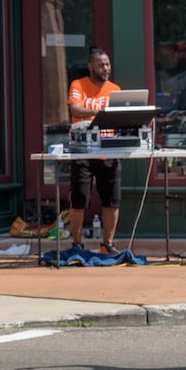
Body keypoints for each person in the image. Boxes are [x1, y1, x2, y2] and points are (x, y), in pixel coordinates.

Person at [66, 47, 122, 252]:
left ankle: (108, 244)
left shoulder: (115, 89)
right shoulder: (78, 84)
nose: (105, 68)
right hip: (83, 150)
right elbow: (76, 109)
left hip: (109, 148)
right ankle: (77, 244)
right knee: (79, 199)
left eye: (107, 64)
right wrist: (100, 112)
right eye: (101, 64)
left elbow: (121, 115)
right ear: (91, 66)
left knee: (112, 199)